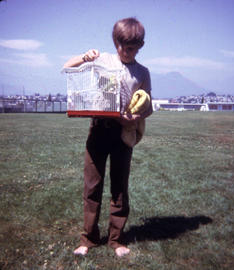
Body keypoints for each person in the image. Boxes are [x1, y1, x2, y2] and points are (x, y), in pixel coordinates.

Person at [63, 17, 153, 257]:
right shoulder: (101, 59)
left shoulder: (143, 72)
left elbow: (148, 106)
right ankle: (88, 238)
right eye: (120, 46)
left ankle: (117, 239)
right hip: (99, 130)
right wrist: (85, 57)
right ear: (115, 42)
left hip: (124, 133)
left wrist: (135, 117)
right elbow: (67, 67)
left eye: (131, 48)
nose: (124, 51)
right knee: (92, 185)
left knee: (119, 187)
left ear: (140, 46)